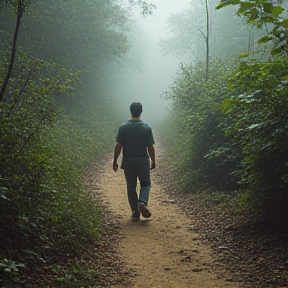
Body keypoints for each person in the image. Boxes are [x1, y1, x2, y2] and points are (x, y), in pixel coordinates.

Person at [113, 102, 156, 219]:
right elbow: (150, 147)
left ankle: (135, 211)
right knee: (146, 183)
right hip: (142, 161)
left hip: (128, 161)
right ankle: (142, 202)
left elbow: (118, 145)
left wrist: (115, 160)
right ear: (141, 111)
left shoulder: (123, 127)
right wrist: (153, 160)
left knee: (131, 186)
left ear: (130, 111)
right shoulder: (146, 128)